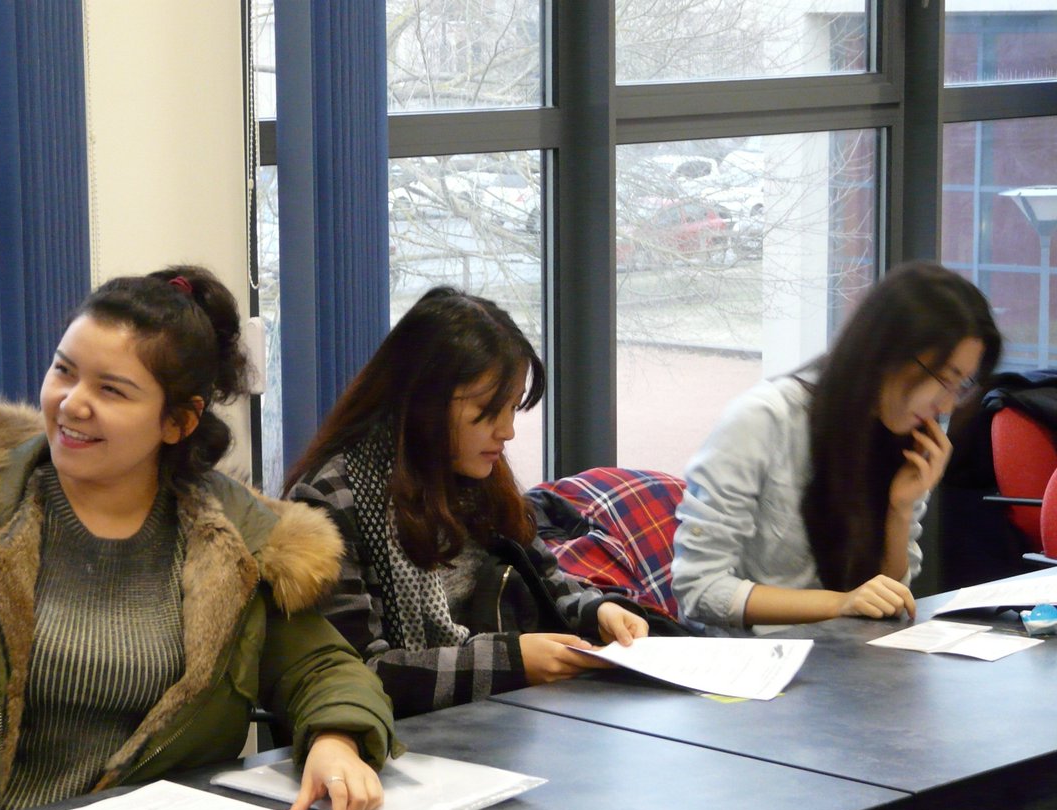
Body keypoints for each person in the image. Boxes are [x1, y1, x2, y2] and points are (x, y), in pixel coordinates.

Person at [0, 266, 397, 810]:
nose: (71, 404)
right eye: (63, 370)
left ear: (178, 421)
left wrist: (337, 742)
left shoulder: (237, 546)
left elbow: (321, 669)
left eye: (111, 390)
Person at [284, 286, 669, 718]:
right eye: (488, 411)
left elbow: (547, 578)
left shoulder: (477, 478)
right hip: (409, 740)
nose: (507, 431)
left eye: (512, 408)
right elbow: (357, 673)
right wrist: (511, 662)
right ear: (424, 403)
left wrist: (600, 611)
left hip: (502, 719)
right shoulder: (333, 500)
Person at [671, 260, 1002, 628]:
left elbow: (888, 598)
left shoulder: (906, 438)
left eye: (961, 387)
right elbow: (699, 589)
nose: (945, 405)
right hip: (751, 667)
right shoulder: (764, 419)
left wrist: (900, 508)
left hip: (846, 663)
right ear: (886, 352)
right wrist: (840, 603)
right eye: (943, 379)